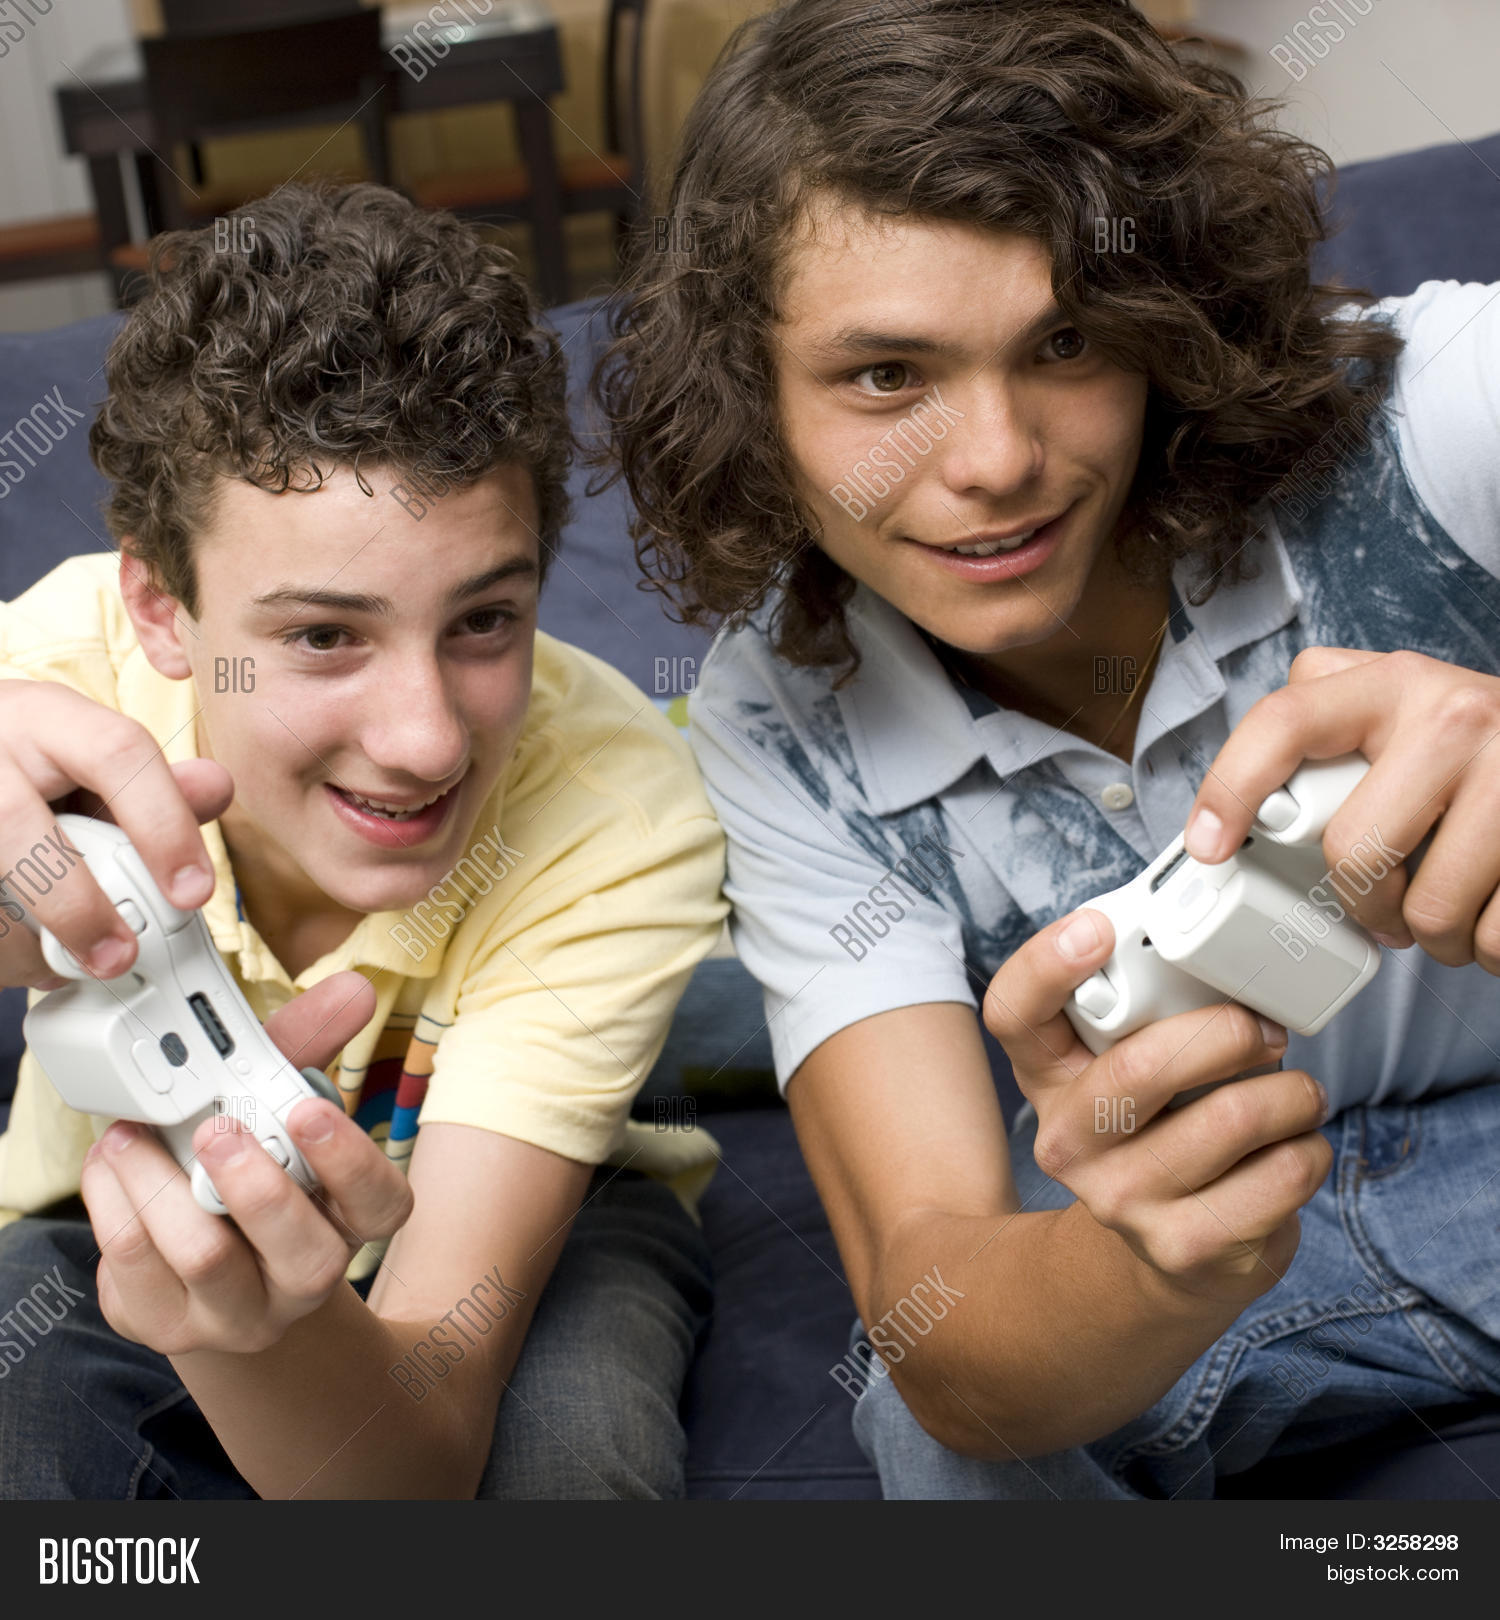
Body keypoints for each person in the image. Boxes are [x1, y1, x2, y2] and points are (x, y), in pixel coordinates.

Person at [596, 0, 1500, 1496]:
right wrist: (1152, 1266)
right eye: (887, 377)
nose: (998, 460)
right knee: (934, 1430)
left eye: (1067, 341)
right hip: (1202, 1249)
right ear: (752, 400)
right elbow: (933, 1298)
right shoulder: (780, 712)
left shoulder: (1437, 413)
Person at [0, 182, 725, 1499]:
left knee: (574, 1466)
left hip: (546, 1208)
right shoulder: (54, 677)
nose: (427, 742)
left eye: (484, 621)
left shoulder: (620, 811)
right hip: (92, 1214)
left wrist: (272, 1343)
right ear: (160, 610)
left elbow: (411, 1467)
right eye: (325, 635)